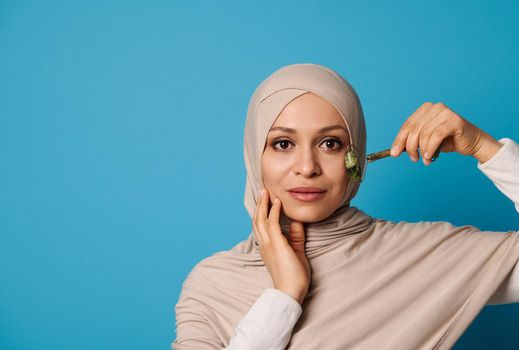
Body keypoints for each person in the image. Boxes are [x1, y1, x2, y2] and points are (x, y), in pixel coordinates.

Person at [172, 63, 519, 350]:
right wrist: (284, 296)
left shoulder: (417, 255)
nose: (307, 166)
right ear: (254, 156)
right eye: (282, 143)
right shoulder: (212, 285)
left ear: (356, 158)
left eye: (330, 143)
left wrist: (484, 148)